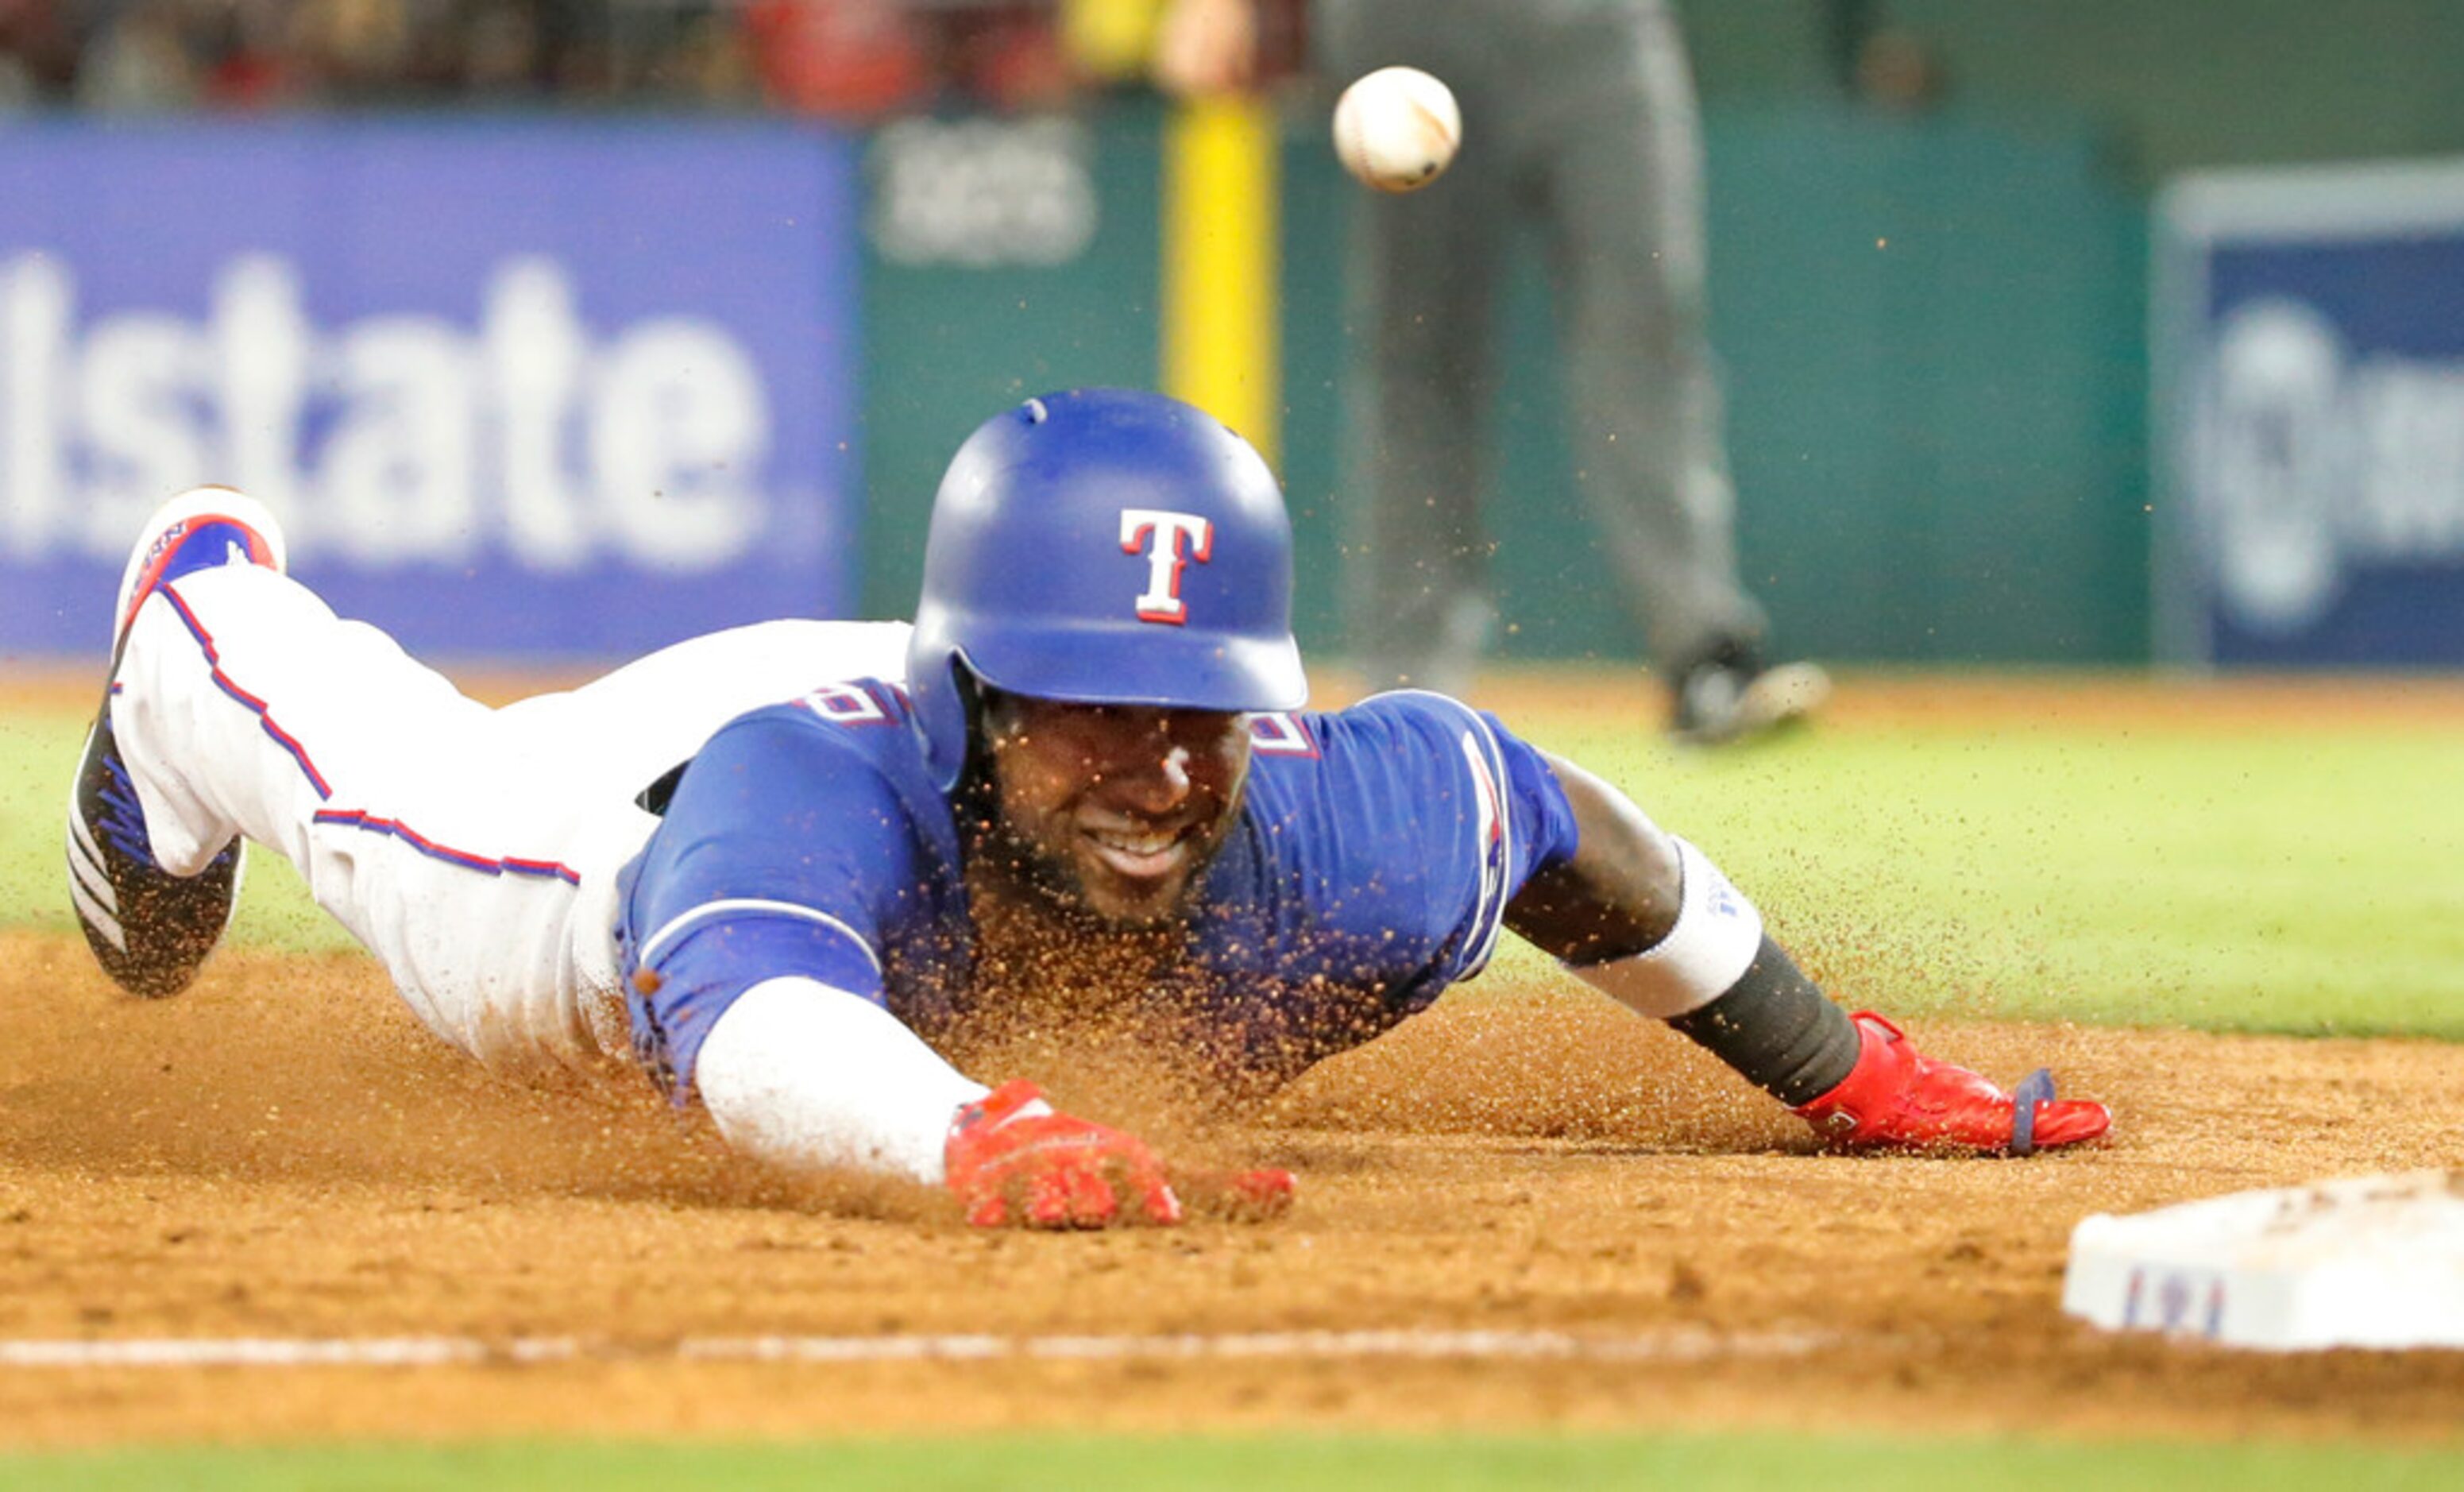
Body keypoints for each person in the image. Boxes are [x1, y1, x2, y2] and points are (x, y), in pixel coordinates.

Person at [66, 388, 2106, 1231]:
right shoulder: (808, 787)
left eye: (1201, 715)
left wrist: (1841, 1070)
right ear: (984, 700)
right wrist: (966, 1132)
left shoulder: (1331, 826)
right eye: (1096, 715)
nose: (1160, 767)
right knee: (387, 804)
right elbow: (766, 1027)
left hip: (931, 695)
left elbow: (1555, 821)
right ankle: (193, 620)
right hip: (631, 832)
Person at [1157, 0, 1829, 743]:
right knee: (1420, 358)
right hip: (1416, 30)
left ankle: (1705, 657)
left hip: (1601, 26)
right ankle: (1410, 693)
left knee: (1647, 326)